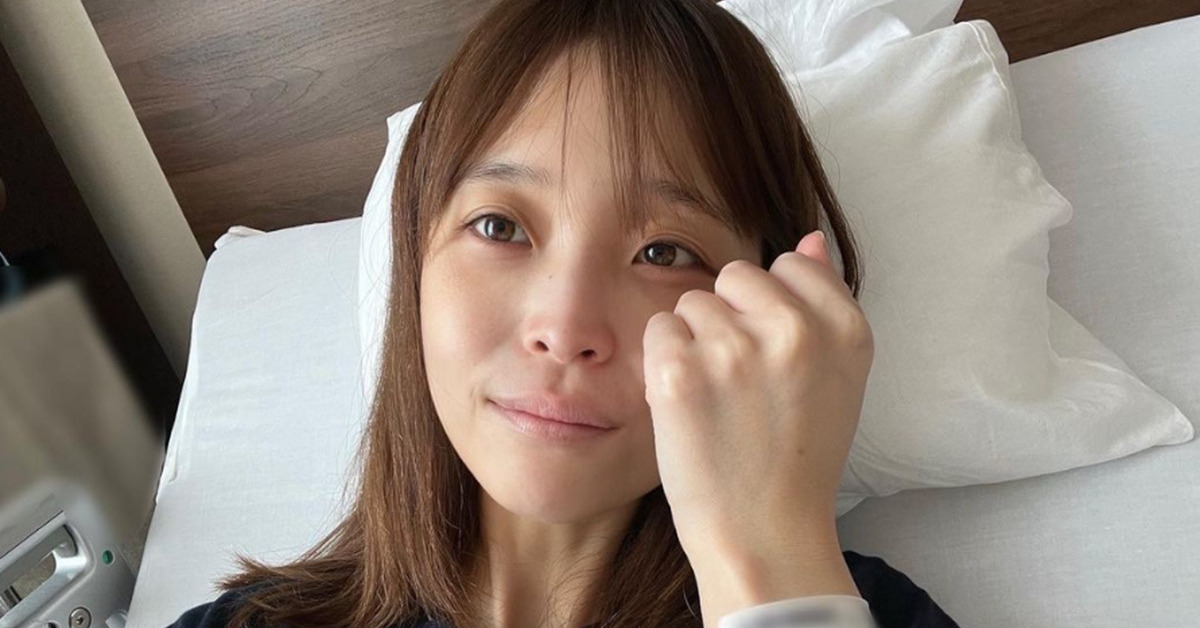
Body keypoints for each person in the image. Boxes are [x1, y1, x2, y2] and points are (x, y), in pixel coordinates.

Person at [166, 0, 961, 626]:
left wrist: (771, 568)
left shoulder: (841, 605)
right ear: (415, 269)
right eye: (499, 228)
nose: (566, 327)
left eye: (664, 252)